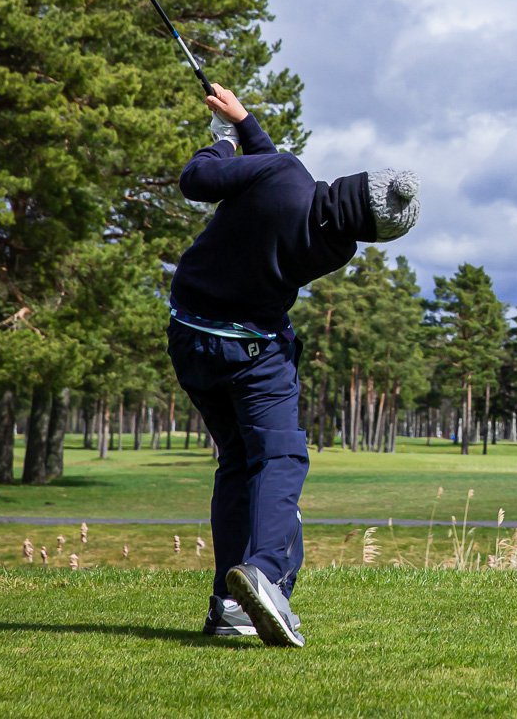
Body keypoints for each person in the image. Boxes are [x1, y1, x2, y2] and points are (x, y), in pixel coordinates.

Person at [168, 83, 418, 648]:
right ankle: (265, 576)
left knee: (241, 463)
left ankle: (231, 604)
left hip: (191, 337)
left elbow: (200, 181)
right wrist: (247, 125)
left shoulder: (286, 175)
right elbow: (283, 186)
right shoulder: (337, 248)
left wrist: (221, 145)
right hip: (255, 353)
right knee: (278, 459)